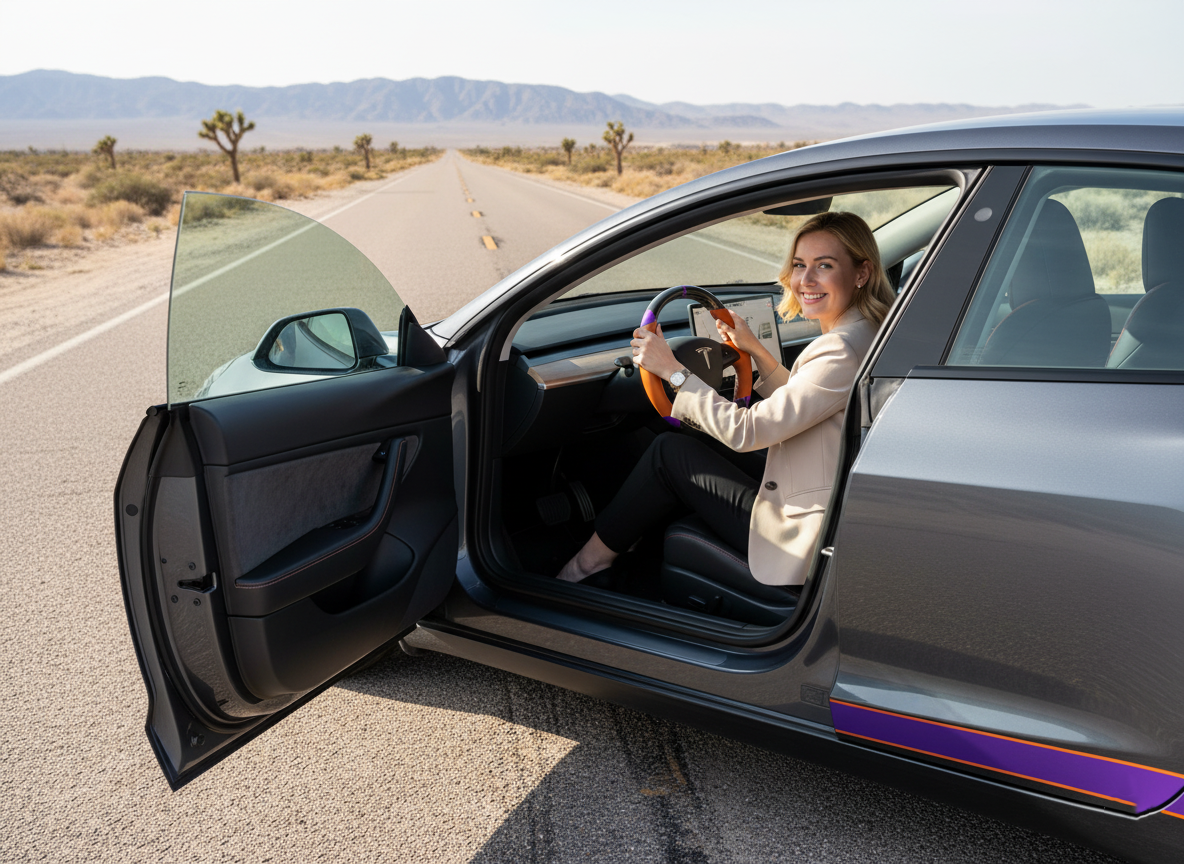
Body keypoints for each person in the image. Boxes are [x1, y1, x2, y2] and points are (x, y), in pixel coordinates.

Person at [556, 210, 895, 588]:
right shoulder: (869, 330)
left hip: (803, 532)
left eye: (824, 265)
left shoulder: (840, 349)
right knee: (696, 437)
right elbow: (809, 401)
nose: (805, 280)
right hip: (827, 495)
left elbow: (746, 431)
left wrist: (673, 370)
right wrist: (755, 351)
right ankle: (627, 541)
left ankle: (585, 566)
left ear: (862, 273)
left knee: (669, 453)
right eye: (799, 265)